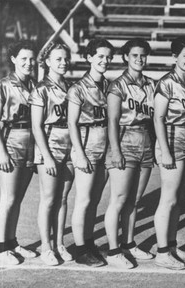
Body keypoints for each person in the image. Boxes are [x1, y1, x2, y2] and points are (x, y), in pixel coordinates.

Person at [104, 38, 156, 269]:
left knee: (134, 200)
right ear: (126, 57)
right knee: (119, 200)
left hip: (145, 141)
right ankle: (113, 250)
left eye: (143, 55)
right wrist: (115, 151)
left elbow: (155, 120)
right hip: (124, 142)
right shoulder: (117, 85)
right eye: (134, 55)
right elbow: (112, 121)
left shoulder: (152, 85)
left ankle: (128, 242)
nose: (139, 59)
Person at [153, 36, 185, 270]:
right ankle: (162, 252)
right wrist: (165, 151)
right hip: (172, 140)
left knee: (179, 199)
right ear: (175, 57)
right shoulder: (166, 82)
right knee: (169, 199)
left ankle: (171, 245)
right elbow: (158, 118)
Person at [0, 40, 39, 264]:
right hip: (10, 142)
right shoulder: (3, 85)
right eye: (23, 59)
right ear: (13, 60)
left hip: (30, 143)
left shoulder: (34, 84)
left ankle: (12, 242)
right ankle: (0, 248)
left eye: (31, 59)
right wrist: (0, 151)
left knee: (18, 199)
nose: (28, 63)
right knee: (8, 199)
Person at [67, 38, 114, 267]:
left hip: (104, 146)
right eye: (100, 56)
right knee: (83, 200)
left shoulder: (109, 85)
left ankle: (88, 241)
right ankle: (80, 248)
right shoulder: (78, 88)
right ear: (89, 58)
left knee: (95, 200)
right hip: (87, 145)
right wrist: (80, 153)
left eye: (107, 57)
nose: (104, 61)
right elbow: (72, 123)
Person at [30, 42, 74, 266]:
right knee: (48, 199)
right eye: (58, 59)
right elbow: (36, 126)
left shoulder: (70, 86)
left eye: (65, 58)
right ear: (47, 62)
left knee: (63, 198)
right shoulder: (41, 88)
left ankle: (59, 243)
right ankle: (46, 246)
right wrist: (46, 156)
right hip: (50, 145)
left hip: (69, 146)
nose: (63, 62)